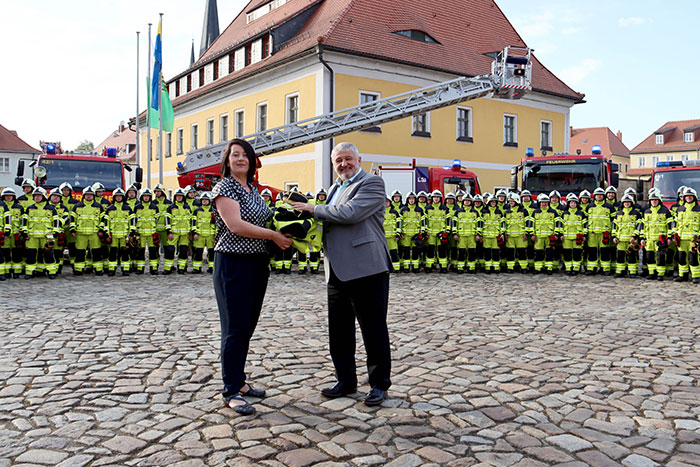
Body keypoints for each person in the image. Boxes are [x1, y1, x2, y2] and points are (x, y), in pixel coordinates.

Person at [292, 141, 392, 406]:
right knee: (339, 331)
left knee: (373, 330)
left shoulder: (372, 183)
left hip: (367, 268)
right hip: (336, 270)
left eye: (348, 159)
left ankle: (379, 384)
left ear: (359, 159)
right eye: (338, 161)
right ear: (333, 164)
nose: (344, 164)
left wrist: (314, 209)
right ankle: (346, 380)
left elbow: (351, 213)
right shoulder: (336, 187)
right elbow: (329, 221)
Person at [212, 138, 292, 415]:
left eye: (245, 154)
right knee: (234, 328)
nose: (240, 159)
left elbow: (266, 219)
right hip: (233, 263)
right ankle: (230, 389)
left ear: (252, 160)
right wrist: (273, 235)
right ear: (227, 160)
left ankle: (240, 381)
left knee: (246, 326)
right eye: (235, 155)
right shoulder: (224, 188)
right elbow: (235, 226)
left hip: (257, 262)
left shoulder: (253, 190)